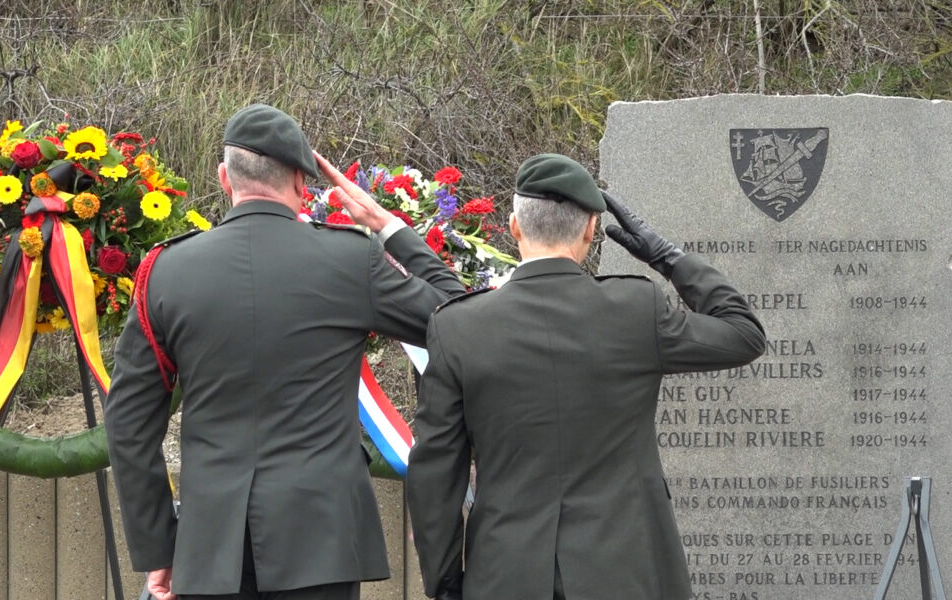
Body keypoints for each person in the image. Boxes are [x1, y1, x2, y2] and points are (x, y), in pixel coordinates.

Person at [104, 103, 464, 600]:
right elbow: (459, 318)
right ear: (301, 181)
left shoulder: (165, 270)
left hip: (209, 552)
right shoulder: (350, 260)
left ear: (223, 178)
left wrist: (158, 551)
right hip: (322, 544)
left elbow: (127, 422)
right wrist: (386, 225)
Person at [406, 153, 767, 600]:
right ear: (591, 229)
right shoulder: (636, 310)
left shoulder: (457, 327)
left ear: (515, 227)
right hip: (626, 574)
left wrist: (445, 586)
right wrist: (668, 258)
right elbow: (744, 334)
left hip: (505, 575)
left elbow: (435, 474)